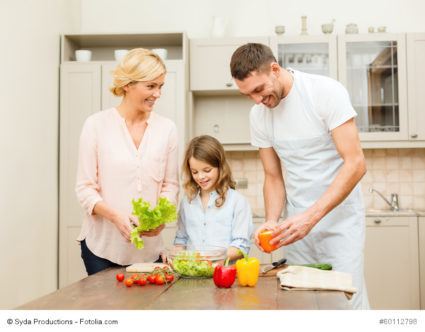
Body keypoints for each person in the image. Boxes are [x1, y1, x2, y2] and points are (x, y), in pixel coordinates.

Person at [230, 43, 369, 309]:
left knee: (343, 302)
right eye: (248, 94)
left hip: (339, 225)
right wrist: (271, 221)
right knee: (301, 303)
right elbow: (273, 176)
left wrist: (312, 217)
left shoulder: (324, 92)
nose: (257, 100)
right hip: (296, 228)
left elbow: (356, 163)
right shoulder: (259, 115)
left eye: (259, 90)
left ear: (274, 69)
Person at [75, 48, 179, 275]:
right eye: (150, 86)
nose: (158, 94)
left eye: (161, 86)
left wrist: (161, 218)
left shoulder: (167, 129)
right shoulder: (96, 125)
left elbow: (170, 186)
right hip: (101, 248)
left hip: (149, 251)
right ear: (127, 85)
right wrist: (115, 216)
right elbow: (84, 189)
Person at [174, 135, 253, 262]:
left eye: (207, 170)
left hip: (224, 274)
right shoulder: (187, 203)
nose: (200, 177)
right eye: (195, 172)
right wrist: (175, 254)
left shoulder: (237, 201)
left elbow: (241, 245)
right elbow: (181, 240)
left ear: (219, 166)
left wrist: (214, 259)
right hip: (193, 274)